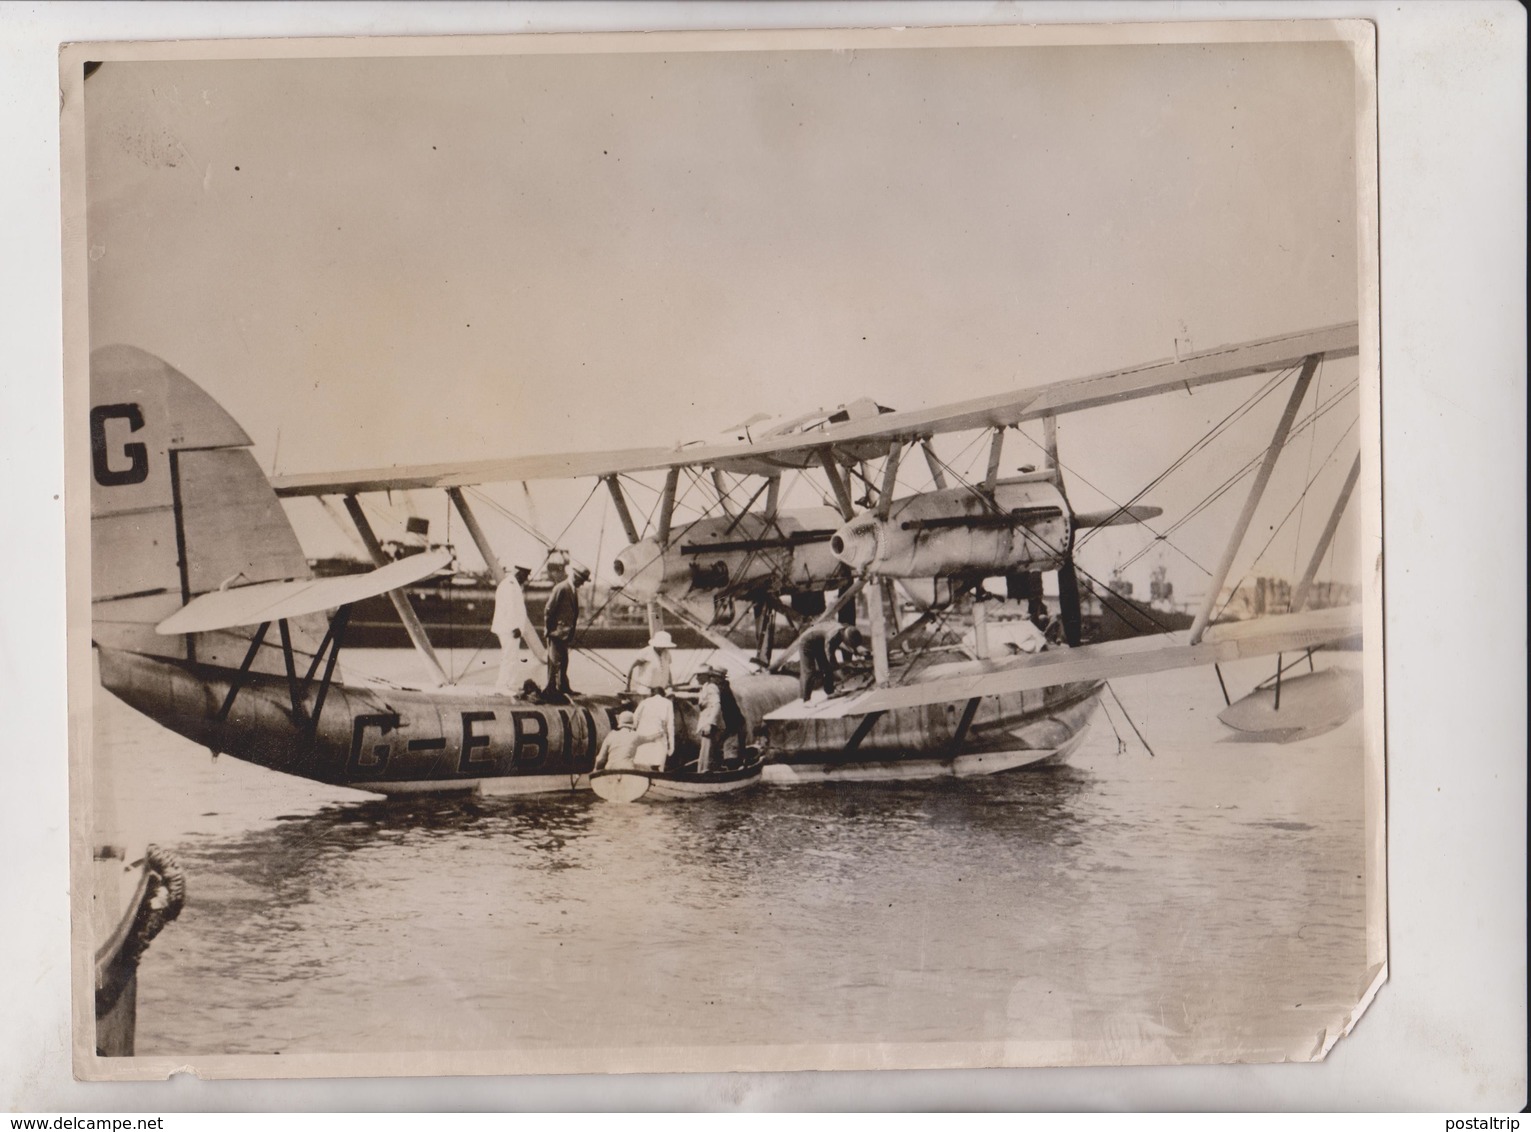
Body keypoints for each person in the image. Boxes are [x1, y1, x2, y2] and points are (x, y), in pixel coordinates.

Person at [491, 564, 545, 694]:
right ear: (518, 572)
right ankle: (502, 686)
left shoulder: (512, 584)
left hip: (510, 628)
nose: (525, 578)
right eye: (525, 575)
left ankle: (509, 684)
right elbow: (510, 608)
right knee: (509, 657)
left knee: (512, 657)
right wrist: (514, 627)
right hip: (509, 628)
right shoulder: (509, 585)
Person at [542, 563, 590, 699]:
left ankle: (563, 687)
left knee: (564, 661)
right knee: (554, 661)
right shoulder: (561, 588)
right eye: (581, 580)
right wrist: (549, 629)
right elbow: (549, 609)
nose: (582, 584)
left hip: (565, 634)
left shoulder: (572, 589)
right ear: (575, 576)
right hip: (557, 633)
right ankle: (550, 689)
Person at [797, 622, 865, 702]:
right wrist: (840, 673)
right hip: (806, 642)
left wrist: (856, 652)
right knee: (810, 671)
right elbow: (830, 657)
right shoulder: (832, 637)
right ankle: (806, 700)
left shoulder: (845, 629)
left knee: (827, 669)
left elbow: (849, 645)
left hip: (818, 642)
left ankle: (830, 692)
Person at [631, 687, 675, 772]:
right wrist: (672, 746)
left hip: (642, 736)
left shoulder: (644, 702)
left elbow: (635, 717)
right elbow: (670, 725)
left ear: (652, 694)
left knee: (641, 764)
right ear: (663, 694)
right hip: (658, 737)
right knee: (657, 766)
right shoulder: (668, 703)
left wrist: (636, 729)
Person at [627, 630, 675, 696]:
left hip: (662, 691)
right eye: (661, 646)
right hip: (646, 691)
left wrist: (671, 685)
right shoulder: (646, 652)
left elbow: (668, 670)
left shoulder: (667, 653)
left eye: (665, 646)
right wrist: (627, 686)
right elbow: (631, 667)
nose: (663, 648)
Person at [694, 666, 723, 774]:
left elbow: (717, 705)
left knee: (706, 752)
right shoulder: (705, 687)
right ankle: (704, 771)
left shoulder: (711, 688)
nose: (697, 678)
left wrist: (710, 723)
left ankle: (703, 774)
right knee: (706, 751)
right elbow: (698, 697)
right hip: (706, 723)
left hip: (709, 724)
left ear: (706, 676)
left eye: (699, 675)